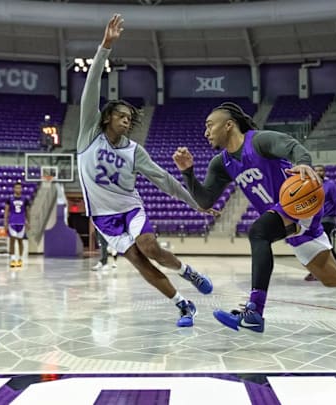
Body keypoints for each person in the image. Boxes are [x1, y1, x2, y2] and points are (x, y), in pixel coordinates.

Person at [173, 102, 336, 333]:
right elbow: (205, 200)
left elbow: (292, 147)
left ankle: (254, 312)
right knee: (332, 276)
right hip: (287, 218)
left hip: (301, 205)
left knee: (258, 232)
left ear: (228, 124)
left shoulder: (259, 141)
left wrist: (303, 163)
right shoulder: (221, 163)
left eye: (210, 125)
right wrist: (188, 173)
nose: (206, 132)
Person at [77, 14, 213, 327]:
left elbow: (164, 180)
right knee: (138, 262)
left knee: (150, 247)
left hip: (129, 208)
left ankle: (187, 272)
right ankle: (183, 305)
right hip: (102, 217)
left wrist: (197, 204)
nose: (126, 120)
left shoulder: (133, 150)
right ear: (108, 117)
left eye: (130, 118)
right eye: (121, 115)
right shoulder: (88, 133)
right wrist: (105, 48)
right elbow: (90, 87)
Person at [304, 164, 336, 281]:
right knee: (316, 245)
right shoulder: (310, 185)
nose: (318, 172)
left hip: (327, 218)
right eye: (316, 170)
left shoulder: (330, 185)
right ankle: (320, 270)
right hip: (313, 219)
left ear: (325, 172)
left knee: (323, 244)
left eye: (321, 170)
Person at [4, 182, 30, 268]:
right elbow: (6, 211)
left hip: (21, 222)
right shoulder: (10, 199)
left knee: (20, 241)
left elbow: (27, 211)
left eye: (19, 188)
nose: (18, 189)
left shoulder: (25, 199)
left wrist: (28, 222)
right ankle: (12, 259)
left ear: (21, 189)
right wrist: (5, 222)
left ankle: (20, 259)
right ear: (14, 189)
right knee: (12, 240)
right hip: (12, 221)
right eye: (16, 188)